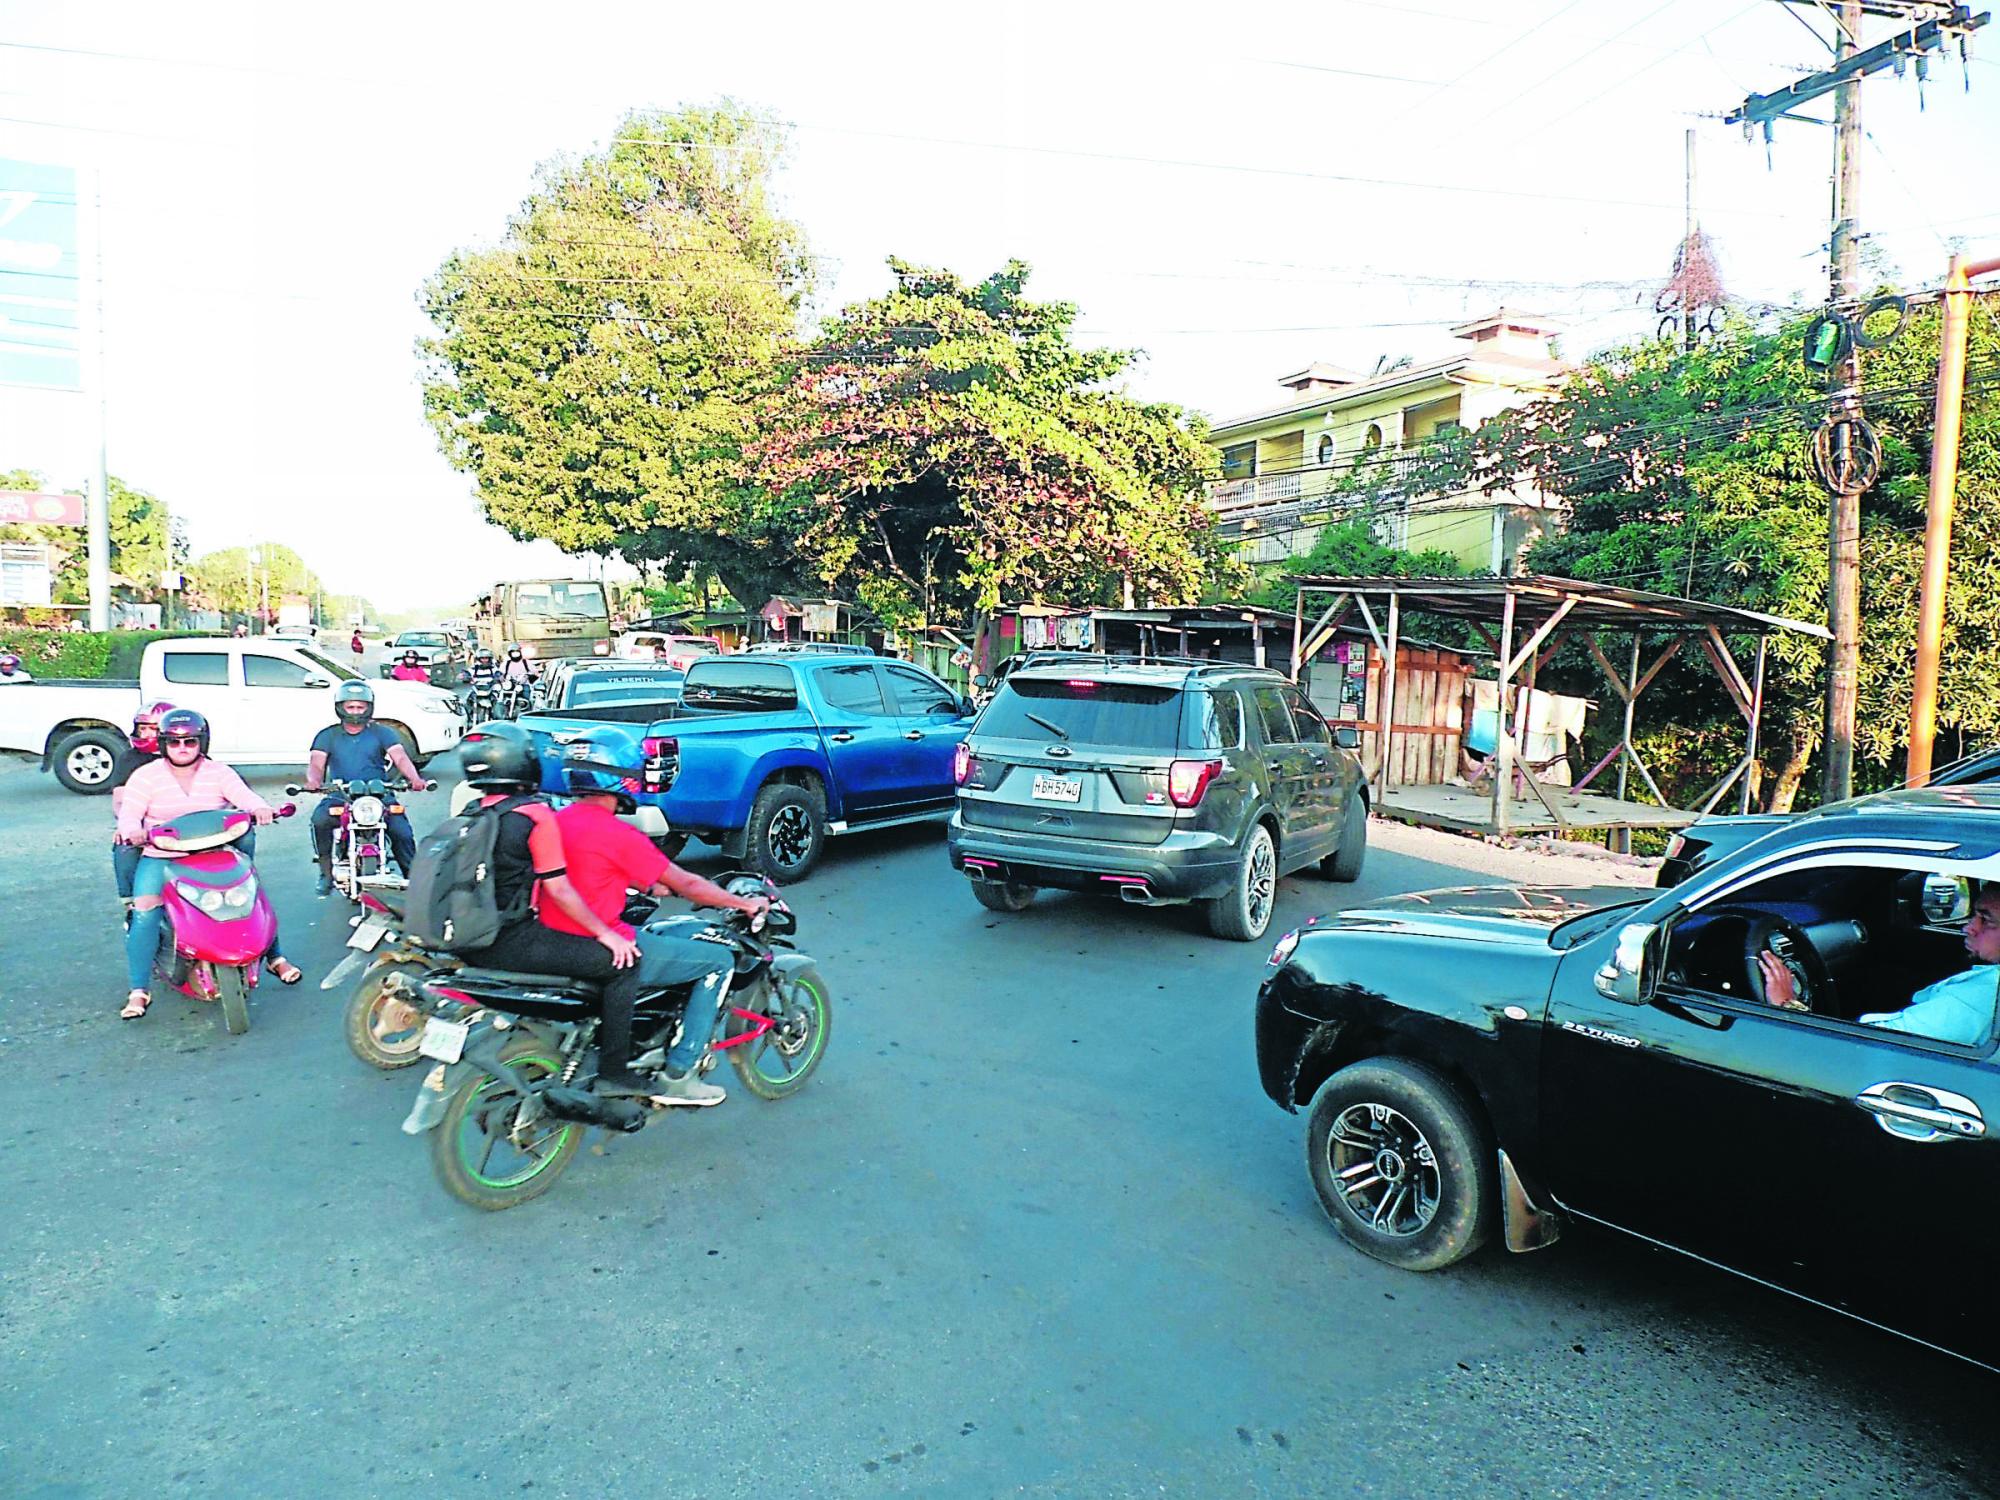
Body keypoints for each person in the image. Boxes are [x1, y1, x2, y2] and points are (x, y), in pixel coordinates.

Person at [553, 745, 770, 1102]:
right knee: (717, 962)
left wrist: (651, 884)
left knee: (658, 936)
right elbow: (689, 884)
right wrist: (742, 903)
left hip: (556, 939)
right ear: (620, 780)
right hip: (601, 943)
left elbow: (590, 872)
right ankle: (679, 1073)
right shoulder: (617, 833)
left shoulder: (556, 822)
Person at [447, 723, 646, 1081]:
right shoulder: (534, 815)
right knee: (625, 964)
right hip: (509, 941)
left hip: (468, 941)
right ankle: (615, 1073)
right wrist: (607, 934)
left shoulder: (475, 812)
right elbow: (560, 889)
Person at [115, 708, 299, 1017]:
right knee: (145, 911)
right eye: (174, 742)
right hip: (163, 856)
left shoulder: (219, 772)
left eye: (190, 741)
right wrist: (131, 830)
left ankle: (275, 958)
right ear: (163, 745)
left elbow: (244, 796)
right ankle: (139, 990)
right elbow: (130, 812)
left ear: (202, 742)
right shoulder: (146, 776)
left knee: (251, 897)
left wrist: (261, 809)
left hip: (217, 853)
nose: (183, 748)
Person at [1759, 884, 2000, 1045]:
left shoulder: (1984, 992)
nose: (1969, 927)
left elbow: (1871, 1045)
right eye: (1974, 916)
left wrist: (1786, 1004)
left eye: (1986, 920)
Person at [304, 680, 426, 895]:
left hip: (379, 795)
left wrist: (414, 778)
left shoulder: (383, 732)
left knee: (401, 831)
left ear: (369, 707)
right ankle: (326, 873)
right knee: (319, 821)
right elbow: (316, 762)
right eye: (350, 707)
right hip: (340, 795)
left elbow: (400, 757)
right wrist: (314, 782)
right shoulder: (327, 735)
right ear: (340, 707)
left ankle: (414, 879)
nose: (355, 712)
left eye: (360, 707)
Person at [111, 702, 178, 923]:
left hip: (185, 824)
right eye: (142, 728)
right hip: (147, 824)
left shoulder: (190, 756)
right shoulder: (130, 759)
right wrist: (127, 826)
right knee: (124, 846)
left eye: (152, 729)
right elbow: (120, 799)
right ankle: (131, 904)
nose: (146, 733)